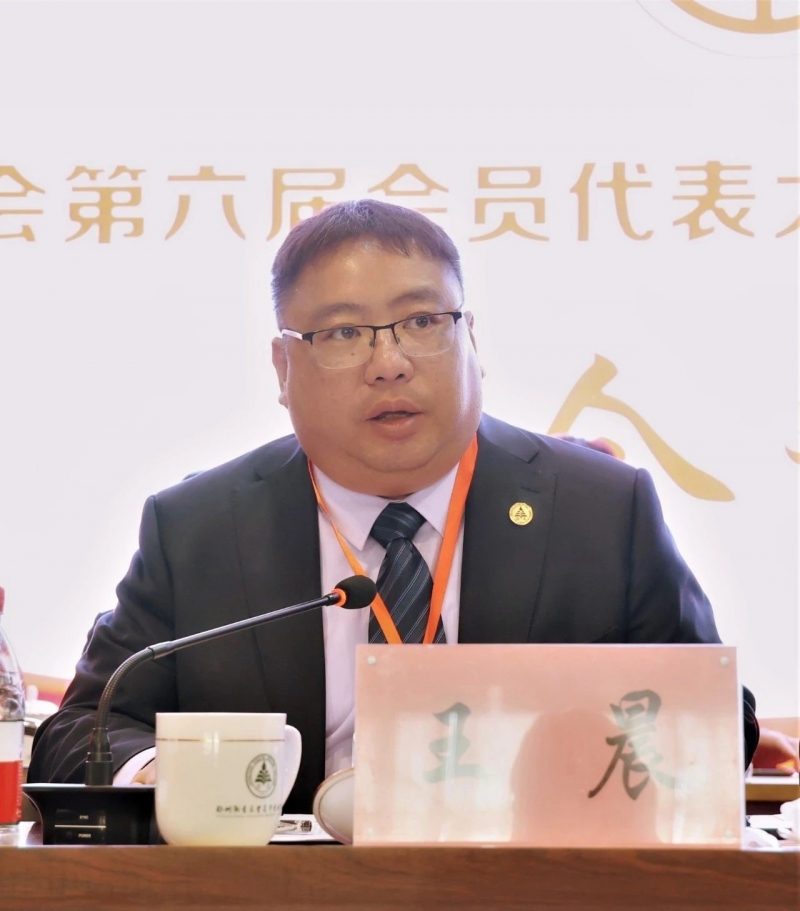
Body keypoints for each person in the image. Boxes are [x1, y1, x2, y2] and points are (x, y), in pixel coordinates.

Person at [28, 199, 759, 812]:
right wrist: (166, 776)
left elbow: (719, 717)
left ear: (471, 338)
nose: (390, 362)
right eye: (343, 333)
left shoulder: (601, 510)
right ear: (283, 367)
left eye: (422, 321)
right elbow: (85, 728)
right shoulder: (198, 527)